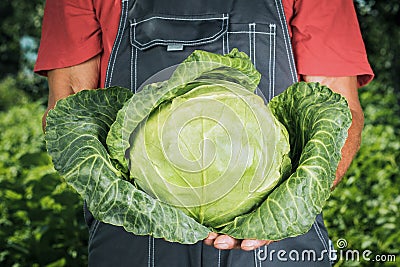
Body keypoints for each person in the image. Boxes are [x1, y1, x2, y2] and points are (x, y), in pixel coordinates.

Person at [35, 0, 373, 266]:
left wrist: (285, 211)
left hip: (278, 241)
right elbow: (69, 113)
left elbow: (338, 112)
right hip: (132, 231)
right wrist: (132, 204)